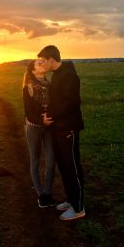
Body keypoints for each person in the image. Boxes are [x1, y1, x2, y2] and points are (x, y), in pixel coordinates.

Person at [37, 45, 85, 221]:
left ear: (51, 59)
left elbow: (72, 103)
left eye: (44, 60)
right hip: (58, 128)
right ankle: (71, 200)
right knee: (64, 167)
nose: (42, 64)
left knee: (72, 167)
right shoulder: (57, 75)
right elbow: (57, 101)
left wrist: (51, 115)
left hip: (68, 128)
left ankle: (79, 208)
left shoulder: (69, 76)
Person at [22, 59, 56, 208]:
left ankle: (48, 193)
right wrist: (43, 121)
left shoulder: (51, 85)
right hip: (34, 128)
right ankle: (41, 195)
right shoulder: (28, 88)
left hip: (49, 129)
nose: (42, 64)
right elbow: (28, 113)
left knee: (51, 161)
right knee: (35, 160)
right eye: (39, 63)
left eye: (43, 62)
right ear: (33, 70)